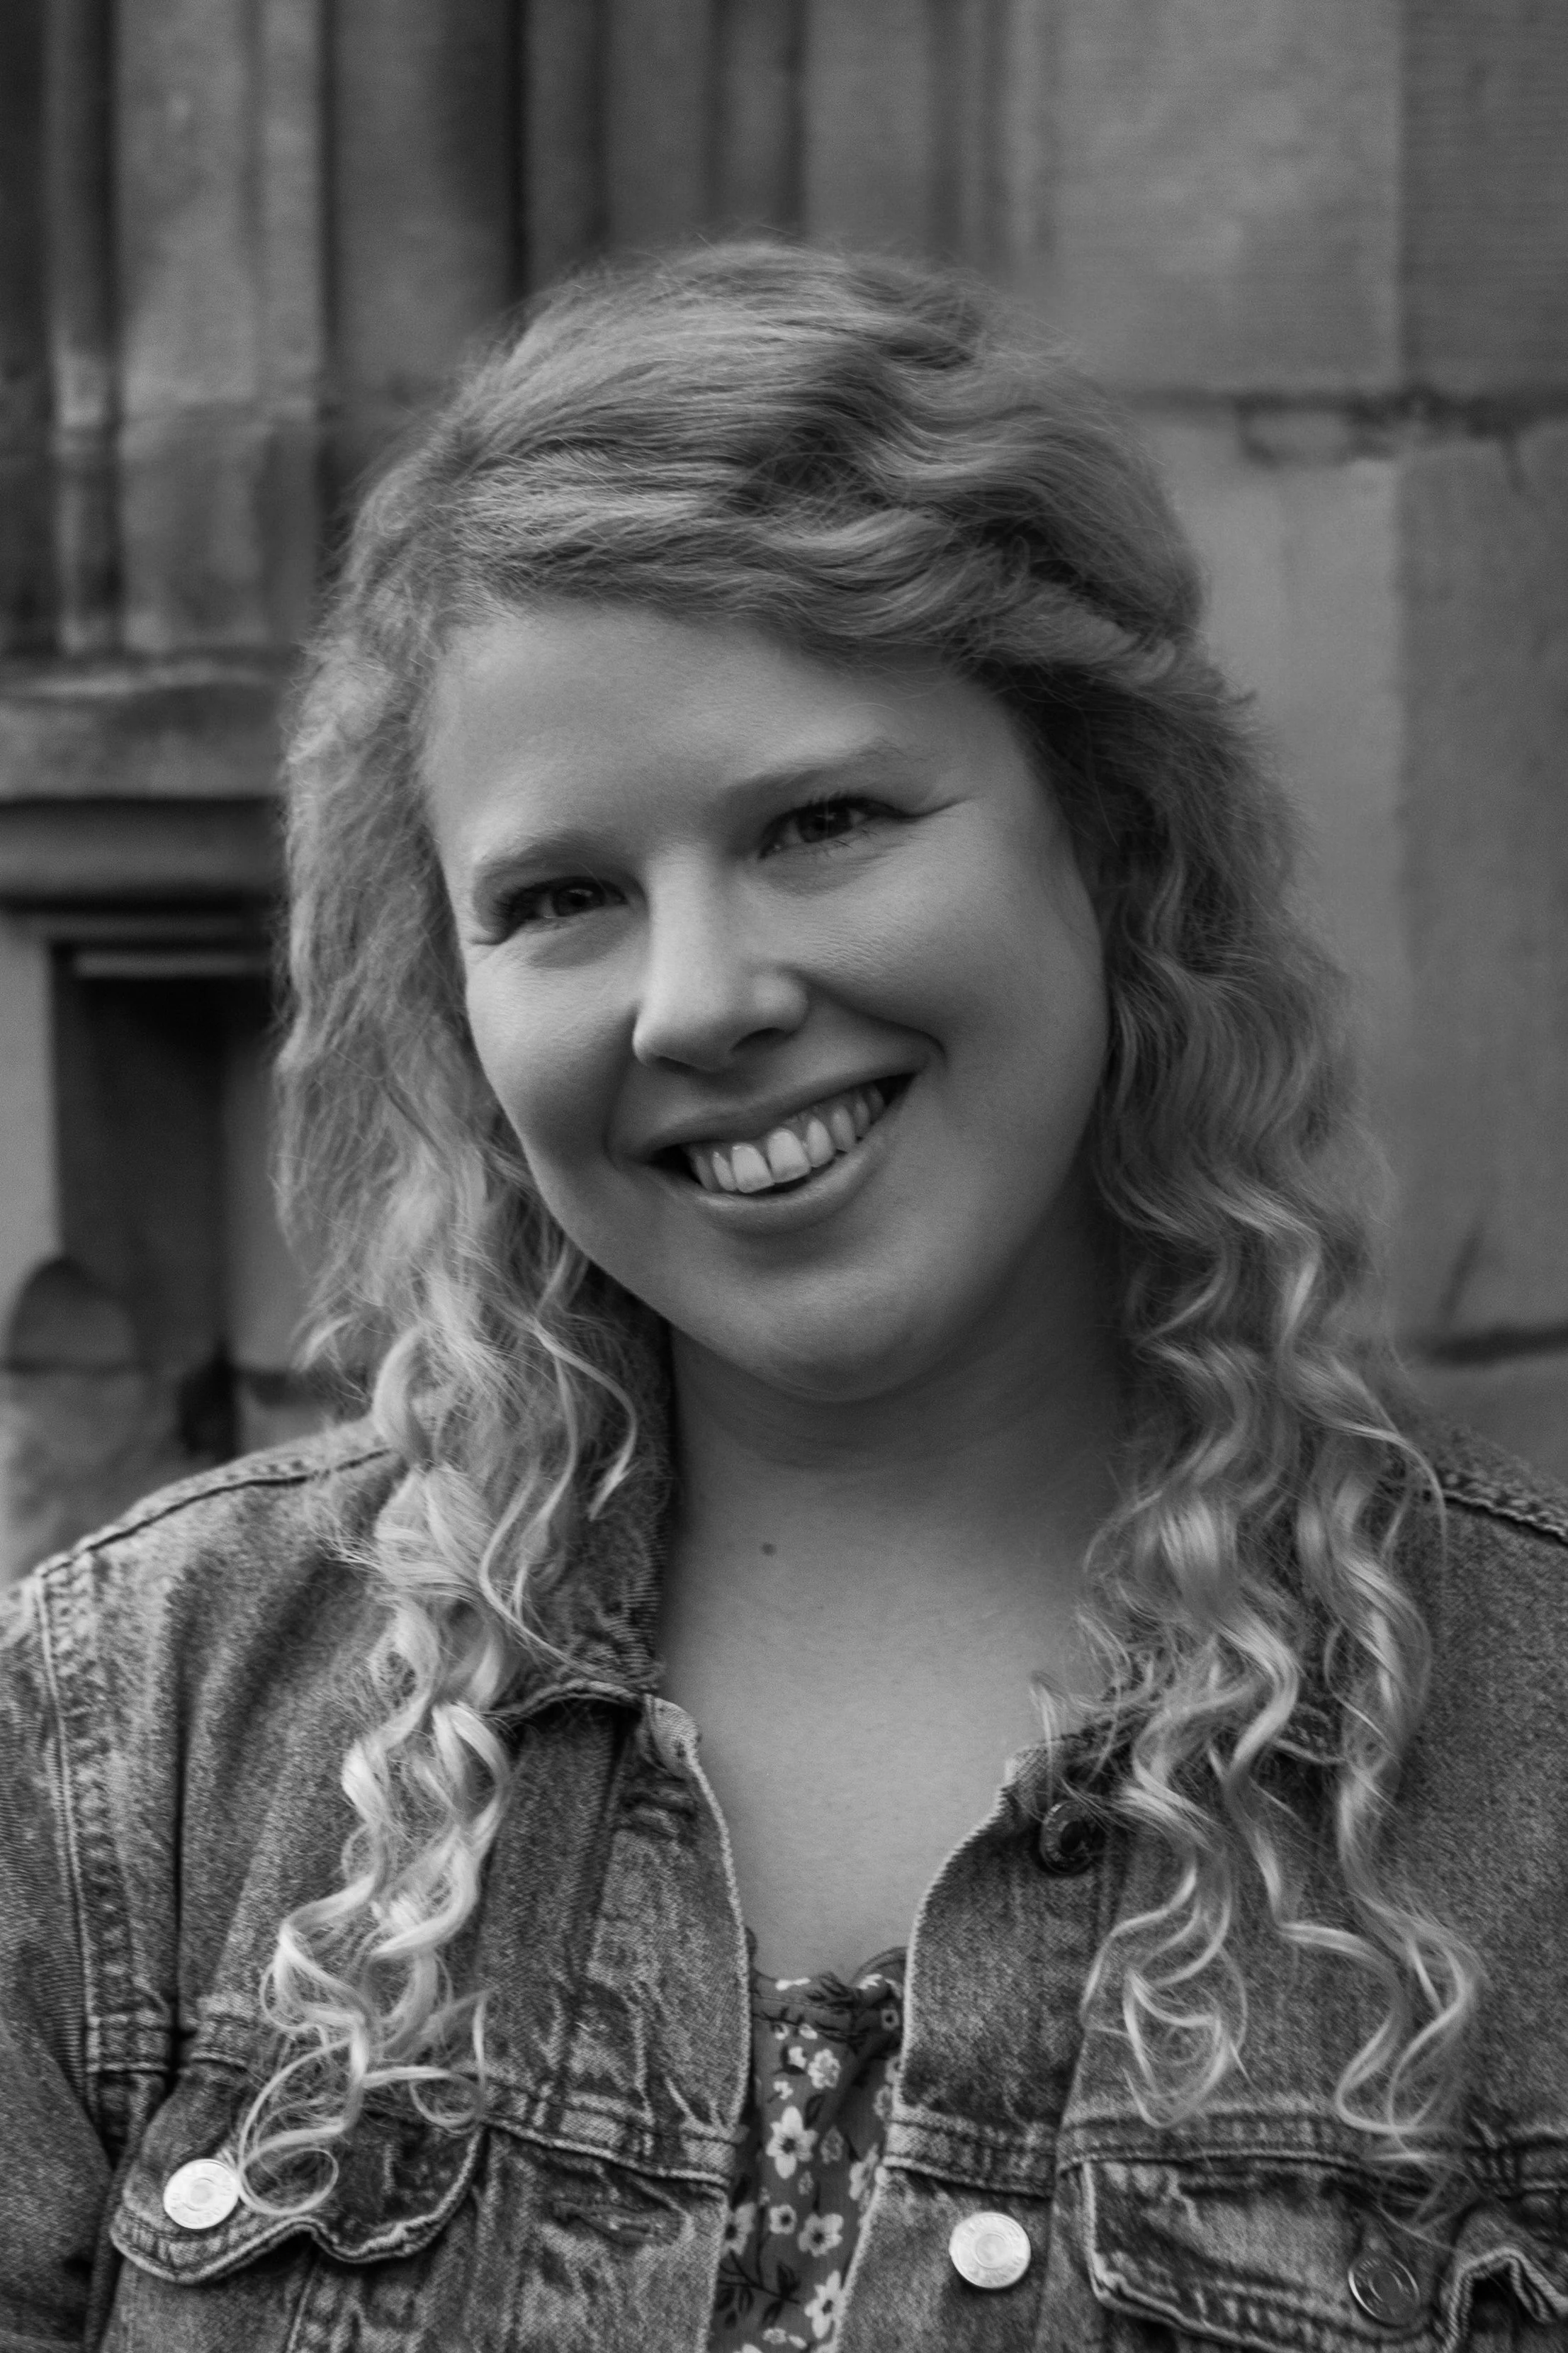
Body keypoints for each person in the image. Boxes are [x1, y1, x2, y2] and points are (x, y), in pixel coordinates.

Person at [2, 242, 1564, 2353]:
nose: (703, 999)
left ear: (1107, 854)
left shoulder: (1525, 1756)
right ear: (457, 1006)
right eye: (560, 899)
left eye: (821, 821)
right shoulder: (137, 1740)